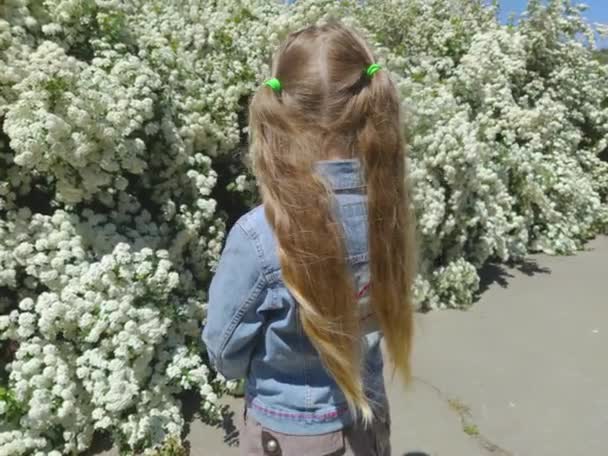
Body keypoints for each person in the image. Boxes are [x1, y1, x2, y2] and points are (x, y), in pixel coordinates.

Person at [202, 22, 416, 456]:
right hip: (367, 420)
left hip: (287, 433)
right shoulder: (388, 214)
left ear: (280, 108)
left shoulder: (260, 234)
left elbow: (223, 352)